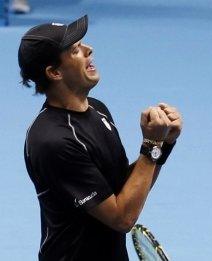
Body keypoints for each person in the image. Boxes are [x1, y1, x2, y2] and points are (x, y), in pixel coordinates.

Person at [19, 15, 182, 260]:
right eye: (75, 50)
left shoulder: (97, 108)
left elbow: (123, 191)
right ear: (54, 72)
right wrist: (151, 146)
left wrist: (163, 144)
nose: (89, 49)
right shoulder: (53, 141)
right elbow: (122, 217)